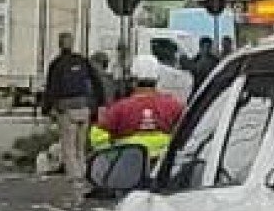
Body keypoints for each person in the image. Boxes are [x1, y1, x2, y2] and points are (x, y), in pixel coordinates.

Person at [40, 32, 99, 178]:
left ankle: (74, 177)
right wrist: (98, 105)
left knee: (68, 146)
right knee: (81, 146)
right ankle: (84, 173)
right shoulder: (82, 61)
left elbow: (51, 88)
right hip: (84, 108)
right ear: (72, 43)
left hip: (67, 110)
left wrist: (46, 108)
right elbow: (96, 81)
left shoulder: (57, 64)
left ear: (59, 44)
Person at [100, 67, 185, 141]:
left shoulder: (119, 108)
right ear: (157, 79)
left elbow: (99, 138)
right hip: (166, 158)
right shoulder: (174, 106)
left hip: (129, 158)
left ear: (133, 81)